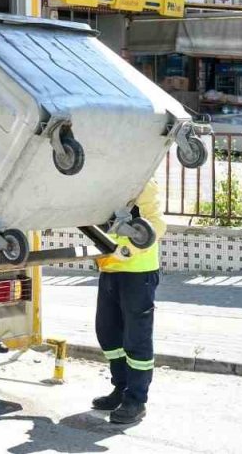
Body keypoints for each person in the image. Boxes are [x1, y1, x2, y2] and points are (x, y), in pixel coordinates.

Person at [91, 176, 165, 425]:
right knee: (108, 334)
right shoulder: (108, 180)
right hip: (110, 270)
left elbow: (156, 224)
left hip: (138, 271)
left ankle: (136, 400)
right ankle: (120, 389)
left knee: (137, 339)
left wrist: (125, 252)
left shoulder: (142, 180)